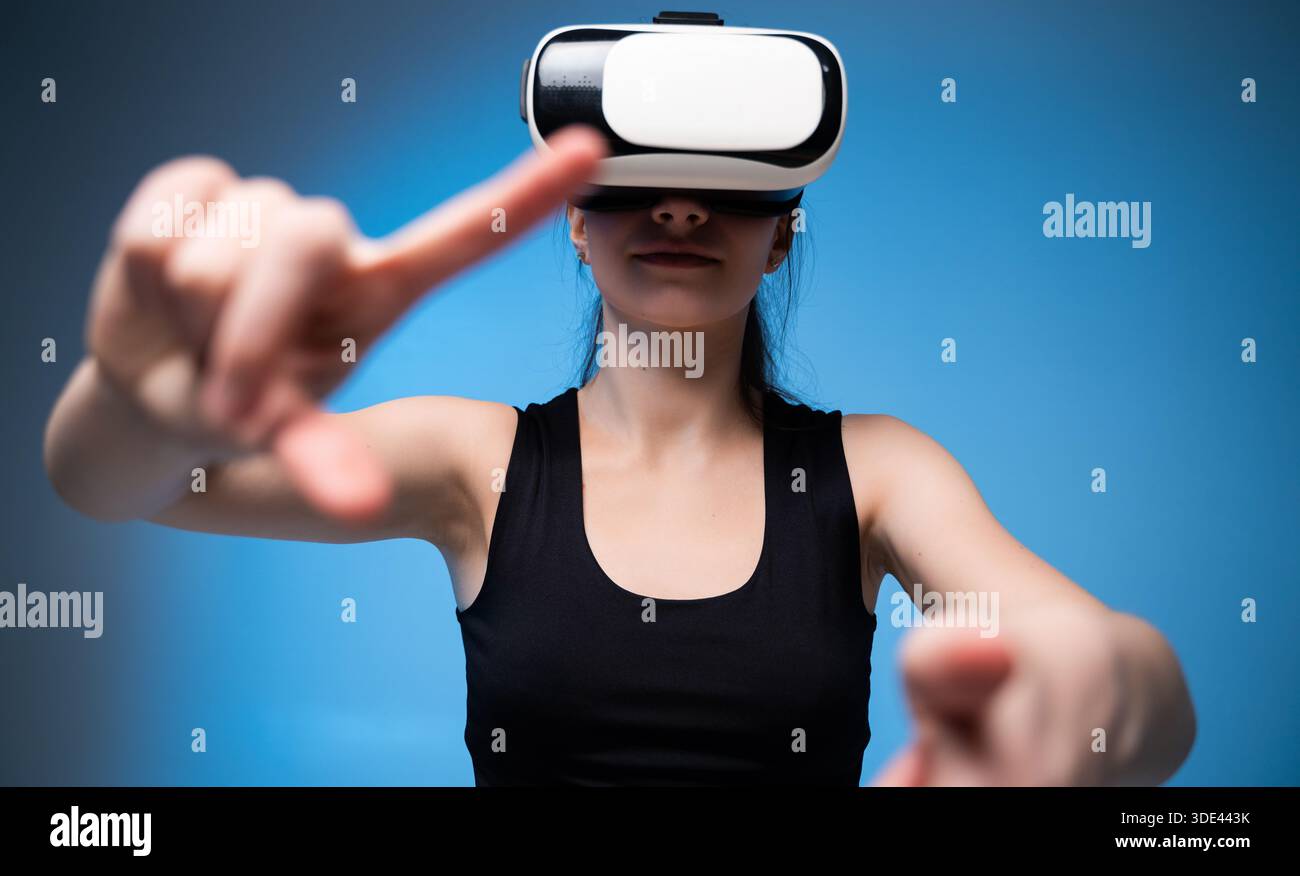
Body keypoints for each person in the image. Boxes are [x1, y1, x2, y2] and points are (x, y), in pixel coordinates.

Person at [43, 124, 1196, 785]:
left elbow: (1130, 678)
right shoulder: (474, 459)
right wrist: (152, 406)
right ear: (576, 222)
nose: (681, 208)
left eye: (730, 183)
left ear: (783, 227)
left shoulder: (877, 471)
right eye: (634, 177)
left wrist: (1094, 692)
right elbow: (115, 486)